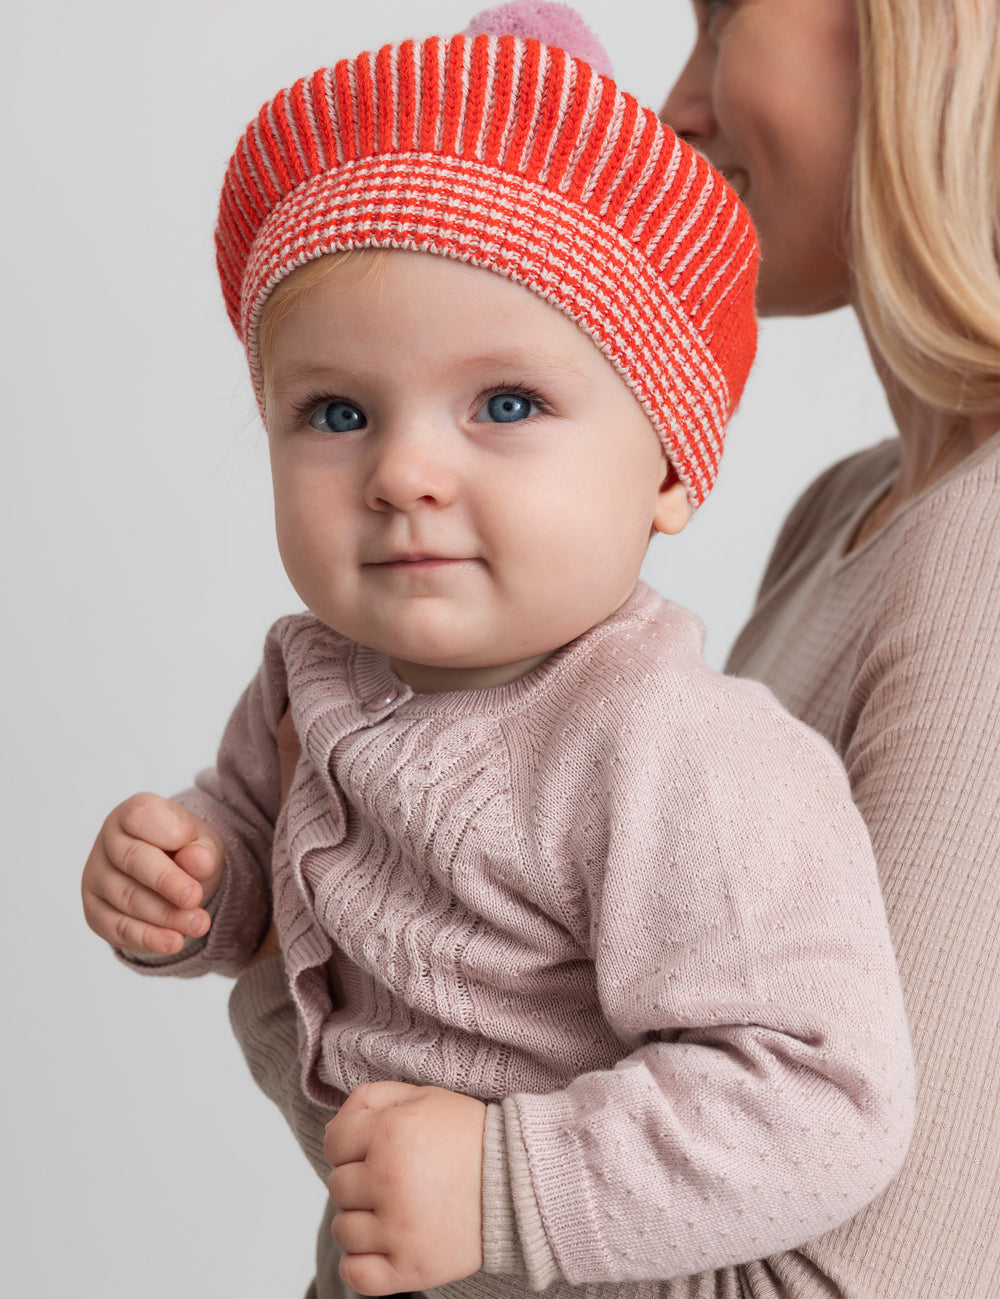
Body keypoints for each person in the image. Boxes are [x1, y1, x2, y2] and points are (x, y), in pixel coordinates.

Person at [81, 10, 914, 1299]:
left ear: (670, 469)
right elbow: (259, 872)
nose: (404, 473)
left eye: (507, 404)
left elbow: (821, 1097)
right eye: (336, 412)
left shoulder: (682, 757)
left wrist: (502, 1181)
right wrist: (190, 886)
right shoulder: (311, 673)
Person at [654, 1, 1000, 1295]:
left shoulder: (981, 551)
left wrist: (319, 1021)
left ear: (928, 31)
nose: (676, 109)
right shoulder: (847, 515)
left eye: (724, 18)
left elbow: (842, 1284)